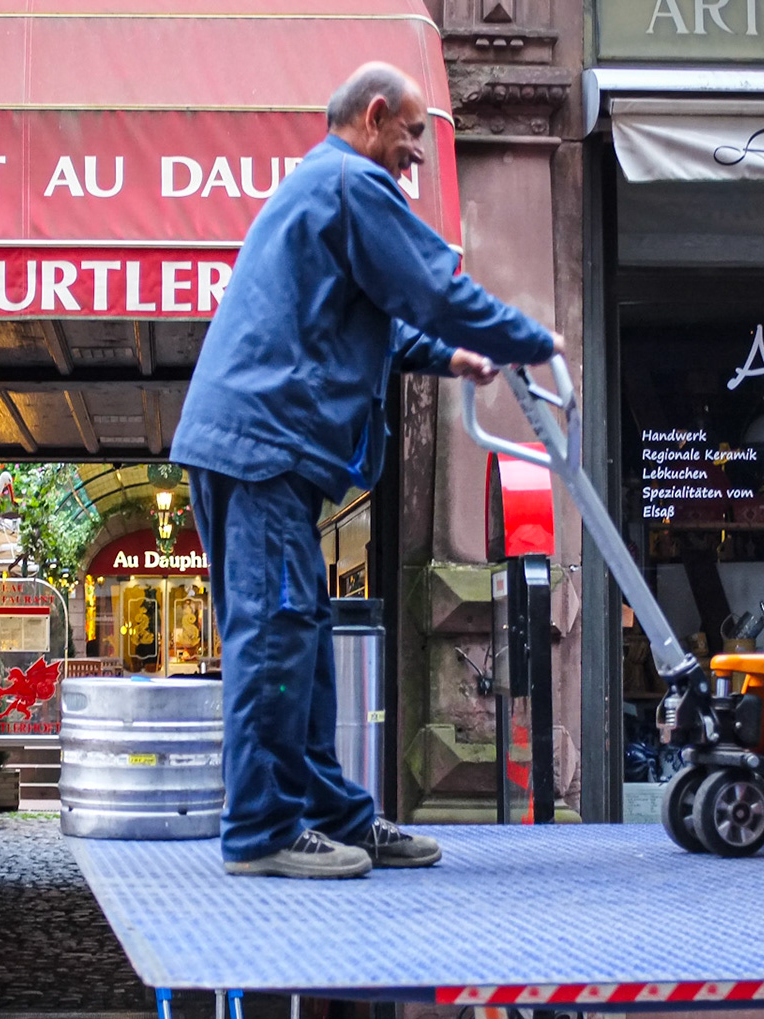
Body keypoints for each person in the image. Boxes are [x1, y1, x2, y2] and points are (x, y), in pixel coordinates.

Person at [172, 62, 562, 880]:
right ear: (375, 115)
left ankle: (328, 814)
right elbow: (430, 285)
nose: (414, 161)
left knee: (302, 642)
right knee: (276, 635)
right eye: (411, 138)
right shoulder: (351, 182)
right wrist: (524, 337)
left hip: (260, 449)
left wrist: (449, 354)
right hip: (260, 448)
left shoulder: (325, 191)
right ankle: (259, 830)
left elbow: (378, 321)